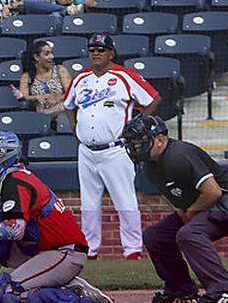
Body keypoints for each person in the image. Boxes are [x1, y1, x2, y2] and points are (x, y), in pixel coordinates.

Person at [0, 132, 111, 303]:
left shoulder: (13, 181)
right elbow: (14, 223)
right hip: (41, 248)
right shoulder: (8, 177)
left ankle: (74, 295)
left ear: (4, 153)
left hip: (64, 253)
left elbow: (14, 230)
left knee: (9, 293)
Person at [122, 115, 228, 303]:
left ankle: (226, 293)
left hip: (227, 205)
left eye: (141, 141)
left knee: (188, 234)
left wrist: (190, 212)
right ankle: (181, 291)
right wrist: (182, 211)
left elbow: (213, 192)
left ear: (159, 140)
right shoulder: (150, 164)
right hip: (202, 206)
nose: (136, 147)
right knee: (155, 237)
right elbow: (169, 193)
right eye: (134, 142)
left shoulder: (178, 155)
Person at [64, 33, 161, 261]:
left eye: (101, 49)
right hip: (87, 151)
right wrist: (76, 130)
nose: (96, 53)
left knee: (125, 201)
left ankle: (132, 251)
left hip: (116, 149)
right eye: (92, 49)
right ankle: (90, 250)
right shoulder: (80, 78)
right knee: (89, 203)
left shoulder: (124, 76)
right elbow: (69, 106)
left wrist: (135, 125)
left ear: (111, 53)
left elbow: (153, 99)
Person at [15, 39, 72, 121]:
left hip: (63, 112)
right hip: (41, 113)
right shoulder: (26, 76)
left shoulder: (60, 70)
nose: (52, 56)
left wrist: (57, 98)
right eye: (47, 54)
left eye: (51, 53)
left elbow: (70, 92)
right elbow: (24, 96)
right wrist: (38, 97)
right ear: (36, 57)